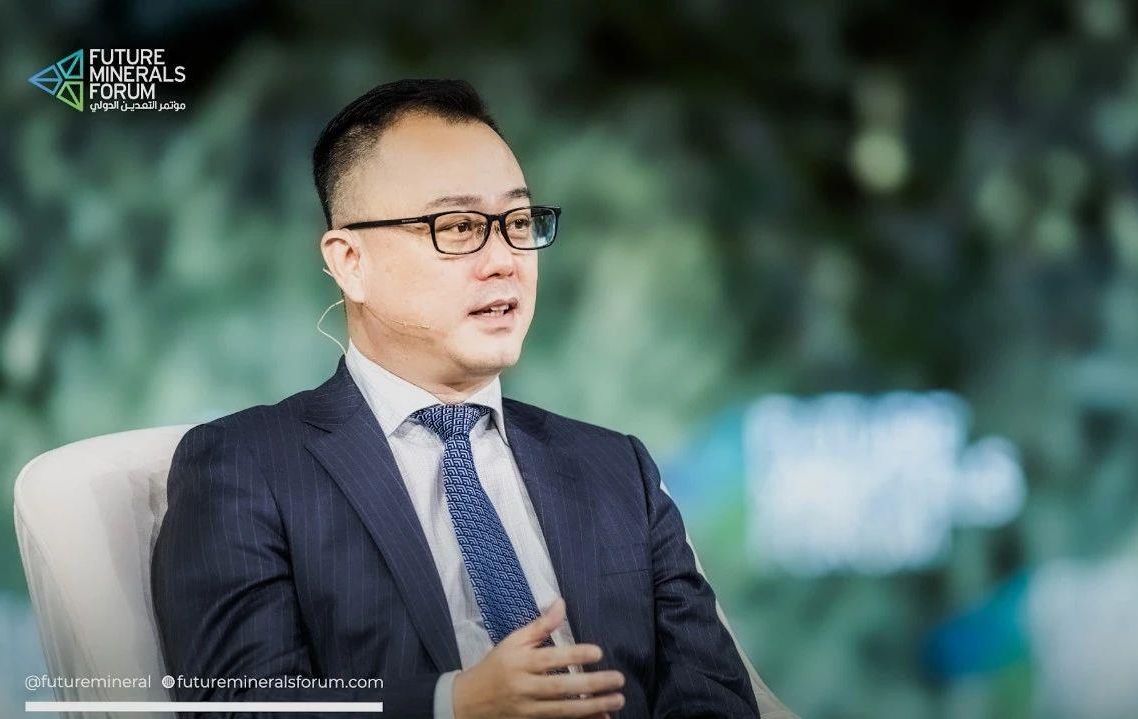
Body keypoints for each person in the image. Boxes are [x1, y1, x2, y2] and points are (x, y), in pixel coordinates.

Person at [151, 78, 758, 719]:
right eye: (460, 227)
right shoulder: (246, 466)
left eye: (518, 222)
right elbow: (238, 705)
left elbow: (715, 696)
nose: (504, 261)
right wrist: (453, 704)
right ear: (351, 261)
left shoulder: (616, 468)